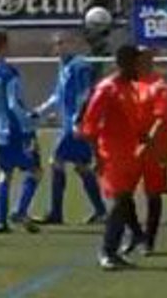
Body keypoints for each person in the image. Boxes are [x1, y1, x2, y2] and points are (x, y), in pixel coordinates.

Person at [77, 45, 146, 270]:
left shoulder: (131, 87)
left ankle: (128, 241)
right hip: (111, 155)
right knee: (119, 201)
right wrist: (96, 156)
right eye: (137, 63)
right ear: (125, 64)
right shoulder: (107, 89)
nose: (140, 67)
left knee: (125, 201)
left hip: (130, 154)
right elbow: (89, 125)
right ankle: (107, 251)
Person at [33, 32, 106, 225]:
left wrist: (78, 119)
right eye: (56, 44)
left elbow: (85, 94)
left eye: (61, 43)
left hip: (75, 125)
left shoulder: (80, 65)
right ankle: (100, 211)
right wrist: (41, 111)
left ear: (71, 44)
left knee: (56, 161)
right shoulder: (63, 66)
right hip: (69, 123)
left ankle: (56, 213)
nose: (58, 47)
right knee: (81, 166)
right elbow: (58, 95)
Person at [0, 29, 42, 234]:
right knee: (35, 171)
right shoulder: (9, 72)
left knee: (6, 172)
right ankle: (20, 211)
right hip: (14, 129)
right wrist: (30, 120)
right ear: (4, 45)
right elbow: (13, 104)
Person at [125, 45, 167, 256]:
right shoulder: (128, 84)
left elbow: (160, 119)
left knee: (153, 193)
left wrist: (147, 142)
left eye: (144, 58)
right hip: (129, 147)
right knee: (122, 193)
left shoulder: (160, 87)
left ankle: (149, 240)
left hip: (155, 149)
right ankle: (136, 233)